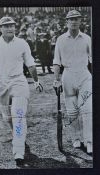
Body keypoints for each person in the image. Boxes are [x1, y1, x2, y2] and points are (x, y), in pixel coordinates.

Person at [0, 16, 43, 169]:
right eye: (6, 26)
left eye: (12, 26)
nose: (10, 28)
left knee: (19, 116)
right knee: (8, 118)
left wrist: (36, 81)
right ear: (0, 28)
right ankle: (18, 134)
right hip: (1, 83)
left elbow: (30, 64)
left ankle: (18, 152)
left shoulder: (22, 43)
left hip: (18, 81)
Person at [53, 10, 92, 155]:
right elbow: (57, 61)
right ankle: (76, 138)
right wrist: (56, 80)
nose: (74, 21)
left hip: (84, 74)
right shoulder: (61, 39)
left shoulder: (87, 38)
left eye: (77, 19)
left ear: (80, 21)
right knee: (72, 111)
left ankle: (89, 141)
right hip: (68, 75)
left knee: (88, 110)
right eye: (71, 19)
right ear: (67, 22)